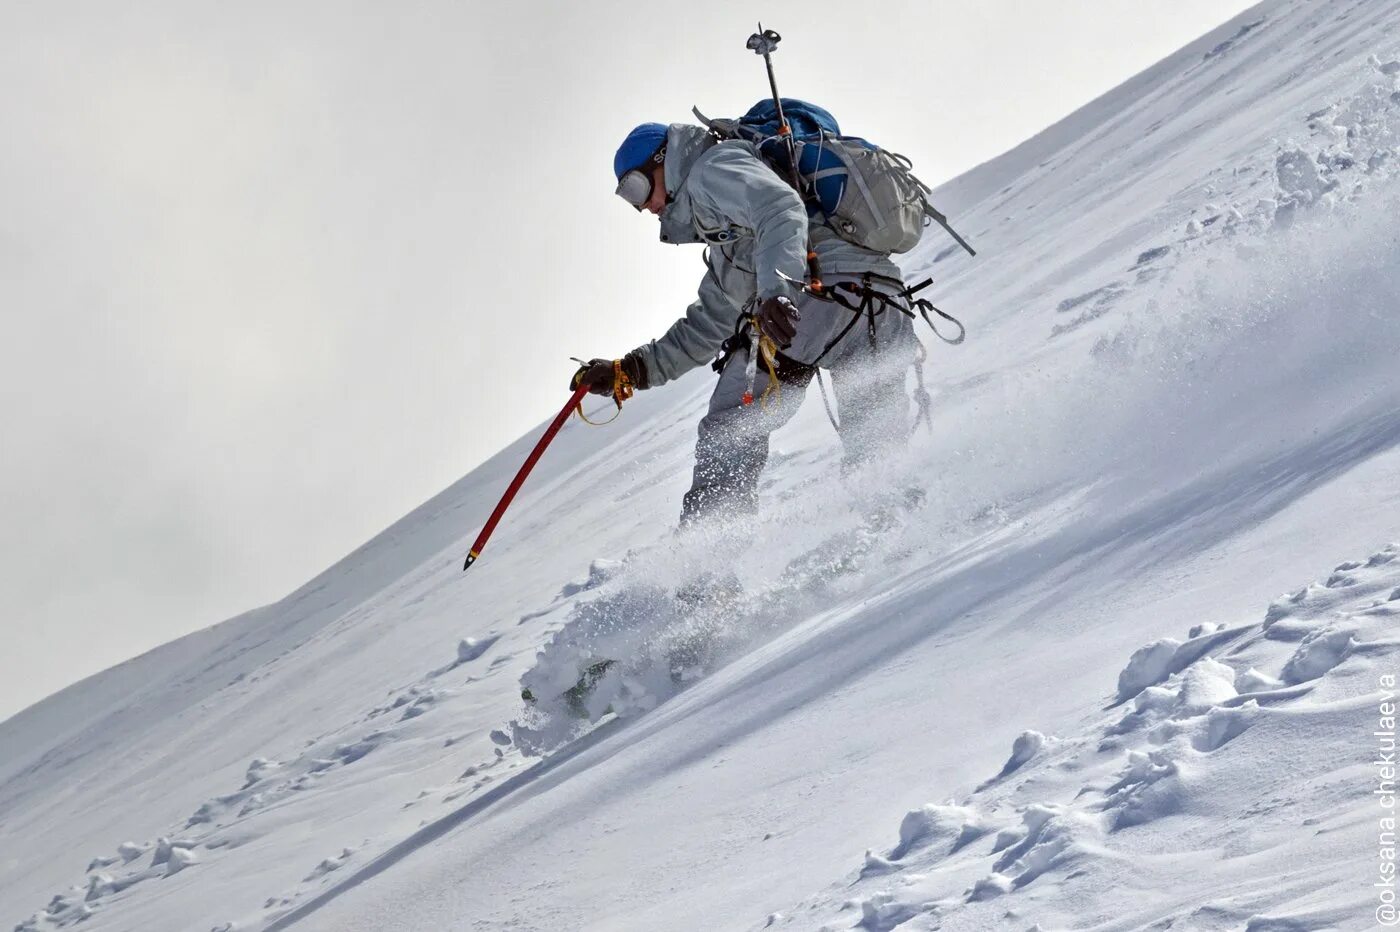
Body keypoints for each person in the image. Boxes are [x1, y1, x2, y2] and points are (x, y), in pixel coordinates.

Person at [574, 121, 918, 523]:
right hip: (874, 306)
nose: (644, 207)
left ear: (664, 159)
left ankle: (706, 564)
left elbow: (781, 207)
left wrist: (777, 293)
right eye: (630, 201)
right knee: (874, 437)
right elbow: (710, 320)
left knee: (731, 428)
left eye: (637, 188)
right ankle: (897, 531)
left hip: (821, 300)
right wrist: (632, 369)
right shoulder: (726, 236)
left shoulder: (710, 169)